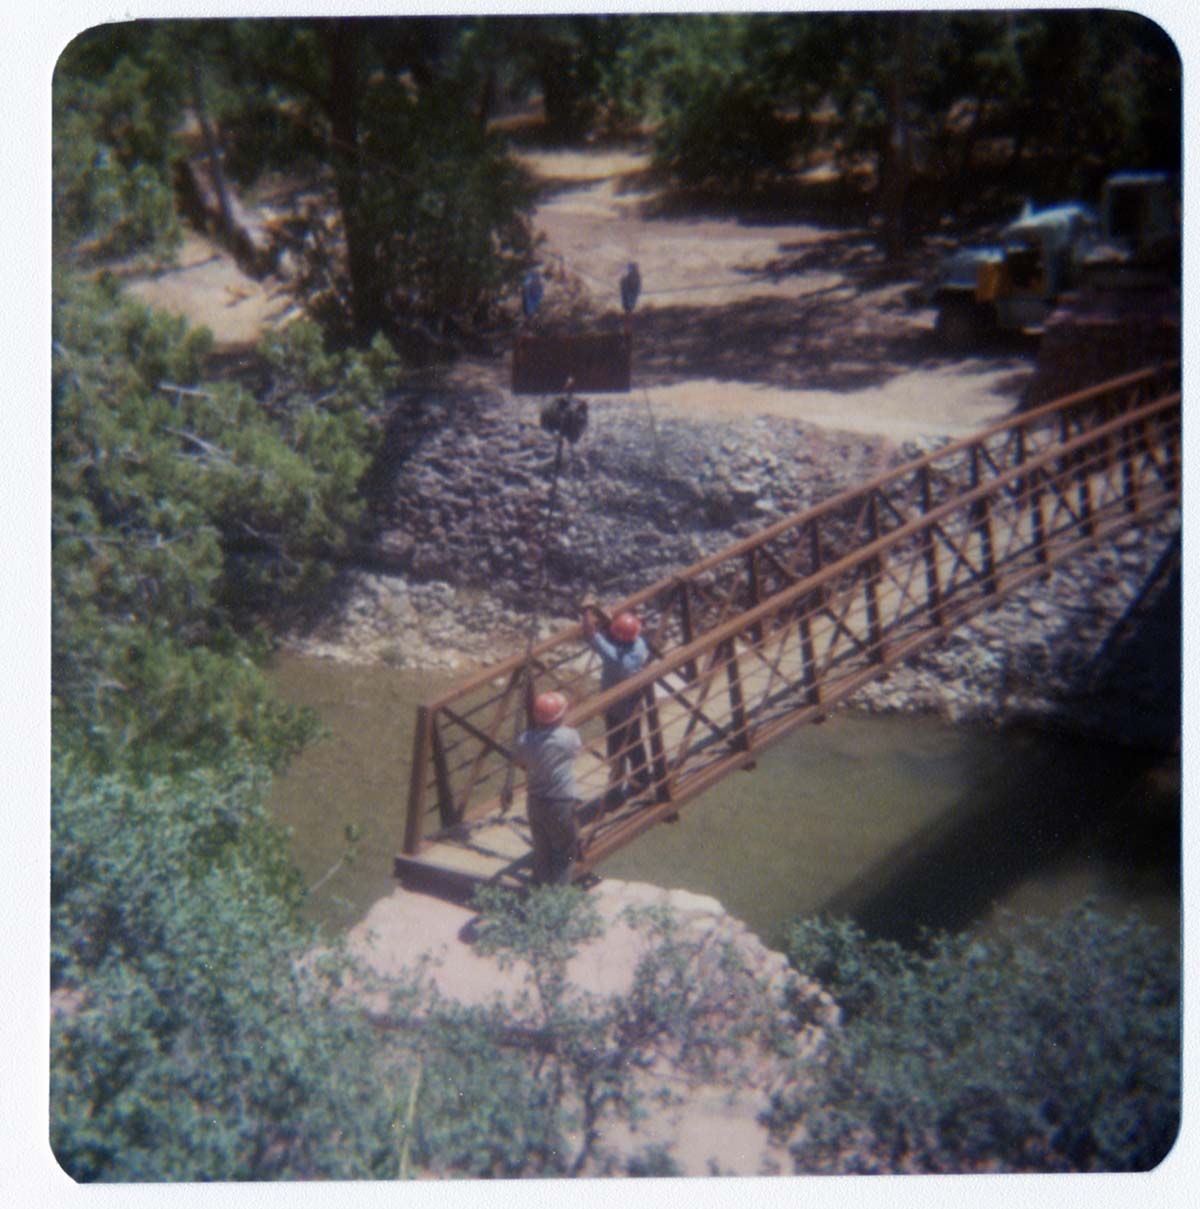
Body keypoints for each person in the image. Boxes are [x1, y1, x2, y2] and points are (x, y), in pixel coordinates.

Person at [513, 690, 582, 886]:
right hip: (560, 802)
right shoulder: (568, 737)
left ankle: (540, 898)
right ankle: (556, 904)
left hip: (534, 801)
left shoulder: (524, 739)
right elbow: (575, 752)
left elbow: (521, 762)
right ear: (560, 716)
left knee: (542, 853)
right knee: (565, 854)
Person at [581, 608, 650, 801]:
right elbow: (632, 632)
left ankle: (615, 792)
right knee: (635, 743)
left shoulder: (613, 658)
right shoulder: (640, 646)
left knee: (616, 749)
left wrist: (587, 610)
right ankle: (642, 781)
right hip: (634, 703)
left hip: (616, 709)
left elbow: (590, 633)